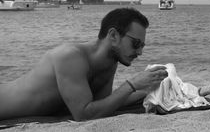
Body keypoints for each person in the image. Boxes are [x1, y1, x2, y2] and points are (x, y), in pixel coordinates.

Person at [0, 8, 169, 121]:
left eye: (142, 46)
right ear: (113, 35)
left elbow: (104, 104)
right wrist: (132, 85)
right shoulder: (70, 57)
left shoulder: (110, 62)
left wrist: (148, 88)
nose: (140, 52)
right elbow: (83, 115)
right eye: (136, 44)